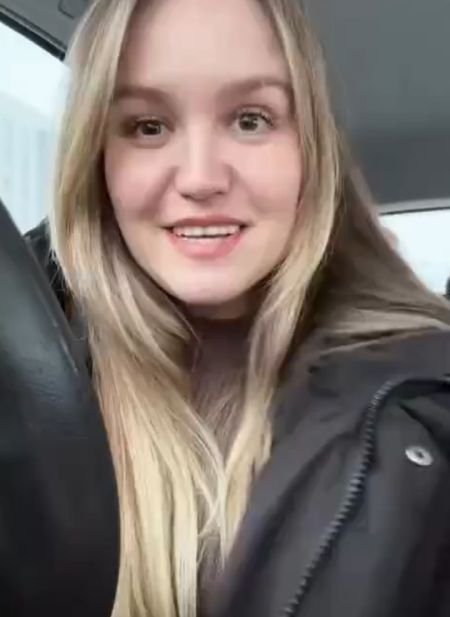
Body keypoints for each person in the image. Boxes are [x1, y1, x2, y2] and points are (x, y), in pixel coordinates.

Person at [26, 0, 450, 616]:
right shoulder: (26, 387)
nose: (200, 178)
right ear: (96, 160)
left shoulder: (426, 414)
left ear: (311, 151)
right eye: (148, 126)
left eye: (251, 120)